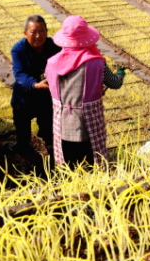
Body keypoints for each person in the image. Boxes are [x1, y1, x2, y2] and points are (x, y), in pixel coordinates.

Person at [45, 15, 125, 168]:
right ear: (87, 38)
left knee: (68, 170)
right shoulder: (97, 64)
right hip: (88, 128)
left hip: (61, 126)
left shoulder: (51, 63)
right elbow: (115, 83)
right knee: (90, 168)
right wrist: (121, 73)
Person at [10, 15, 61, 152]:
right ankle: (22, 145)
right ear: (25, 33)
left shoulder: (55, 46)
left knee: (49, 129)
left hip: (48, 96)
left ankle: (50, 148)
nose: (38, 36)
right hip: (25, 96)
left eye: (41, 31)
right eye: (33, 32)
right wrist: (35, 85)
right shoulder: (18, 49)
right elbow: (20, 74)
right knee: (22, 125)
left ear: (47, 31)